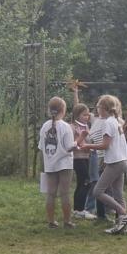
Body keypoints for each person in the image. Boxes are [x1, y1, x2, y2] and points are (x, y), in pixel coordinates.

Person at [78, 94, 127, 235]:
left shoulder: (108, 123)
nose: (97, 109)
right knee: (118, 194)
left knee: (97, 191)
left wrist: (88, 146)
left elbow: (105, 145)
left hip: (115, 162)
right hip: (122, 160)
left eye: (98, 107)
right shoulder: (116, 121)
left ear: (104, 108)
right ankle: (123, 226)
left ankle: (123, 212)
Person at [38, 97, 77, 228]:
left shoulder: (45, 126)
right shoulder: (66, 127)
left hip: (50, 163)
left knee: (51, 194)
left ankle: (51, 221)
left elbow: (41, 147)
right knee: (65, 193)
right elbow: (69, 147)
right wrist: (77, 142)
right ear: (63, 110)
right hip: (65, 164)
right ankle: (67, 221)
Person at [71, 102, 96, 220]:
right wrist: (81, 139)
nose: (87, 117)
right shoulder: (72, 127)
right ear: (77, 115)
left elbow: (88, 141)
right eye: (84, 115)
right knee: (85, 182)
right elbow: (72, 144)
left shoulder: (86, 126)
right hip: (77, 158)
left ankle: (78, 209)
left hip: (86, 157)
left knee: (82, 183)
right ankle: (80, 210)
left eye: (88, 115)